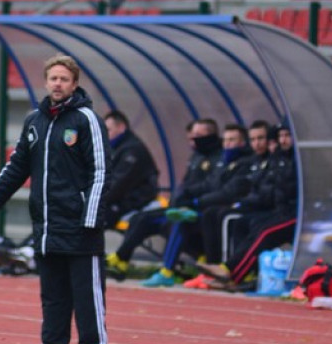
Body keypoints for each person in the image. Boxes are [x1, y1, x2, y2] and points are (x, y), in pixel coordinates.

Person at [0, 55, 111, 344]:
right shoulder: (35, 121)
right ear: (46, 81)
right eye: (53, 78)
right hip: (47, 227)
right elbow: (16, 167)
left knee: (86, 296)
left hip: (80, 226)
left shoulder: (86, 120)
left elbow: (101, 171)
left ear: (74, 84)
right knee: (53, 296)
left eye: (64, 79)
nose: (58, 84)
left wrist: (90, 216)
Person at [106, 118, 222, 280]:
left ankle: (169, 271)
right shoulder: (196, 157)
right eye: (191, 136)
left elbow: (212, 186)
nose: (193, 139)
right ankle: (121, 260)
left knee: (176, 223)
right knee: (142, 218)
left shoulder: (219, 158)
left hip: (200, 208)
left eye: (197, 135)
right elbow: (186, 185)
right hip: (183, 206)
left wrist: (191, 200)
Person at [141, 123, 253, 287]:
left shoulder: (245, 163)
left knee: (200, 218)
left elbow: (229, 192)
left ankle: (199, 269)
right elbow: (210, 184)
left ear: (242, 143)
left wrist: (196, 202)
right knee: (170, 221)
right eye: (226, 140)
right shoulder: (224, 161)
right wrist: (187, 194)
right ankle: (172, 270)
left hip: (226, 209)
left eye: (233, 140)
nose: (228, 144)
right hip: (209, 207)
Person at [197, 125, 298, 288]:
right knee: (252, 225)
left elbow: (282, 190)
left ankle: (232, 274)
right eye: (281, 136)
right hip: (282, 211)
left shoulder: (295, 160)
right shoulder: (279, 159)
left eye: (288, 135)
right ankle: (232, 272)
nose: (283, 140)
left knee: (265, 232)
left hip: (298, 214)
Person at [103, 109, 159, 229]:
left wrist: (95, 200)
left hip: (133, 201)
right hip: (118, 200)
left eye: (108, 130)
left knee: (91, 221)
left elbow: (118, 184)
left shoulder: (132, 150)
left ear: (121, 127)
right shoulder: (115, 147)